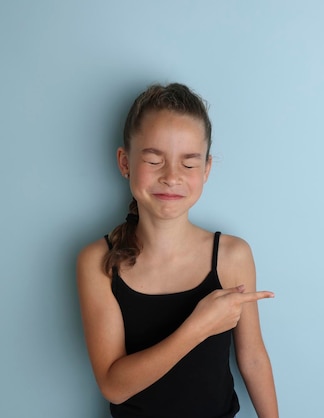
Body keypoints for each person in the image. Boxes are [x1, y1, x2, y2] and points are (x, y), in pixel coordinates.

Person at [76, 83, 279, 418]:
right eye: (154, 160)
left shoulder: (232, 255)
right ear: (125, 162)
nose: (172, 177)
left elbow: (253, 357)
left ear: (206, 169)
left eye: (188, 163)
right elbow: (113, 386)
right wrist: (198, 327)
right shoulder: (97, 262)